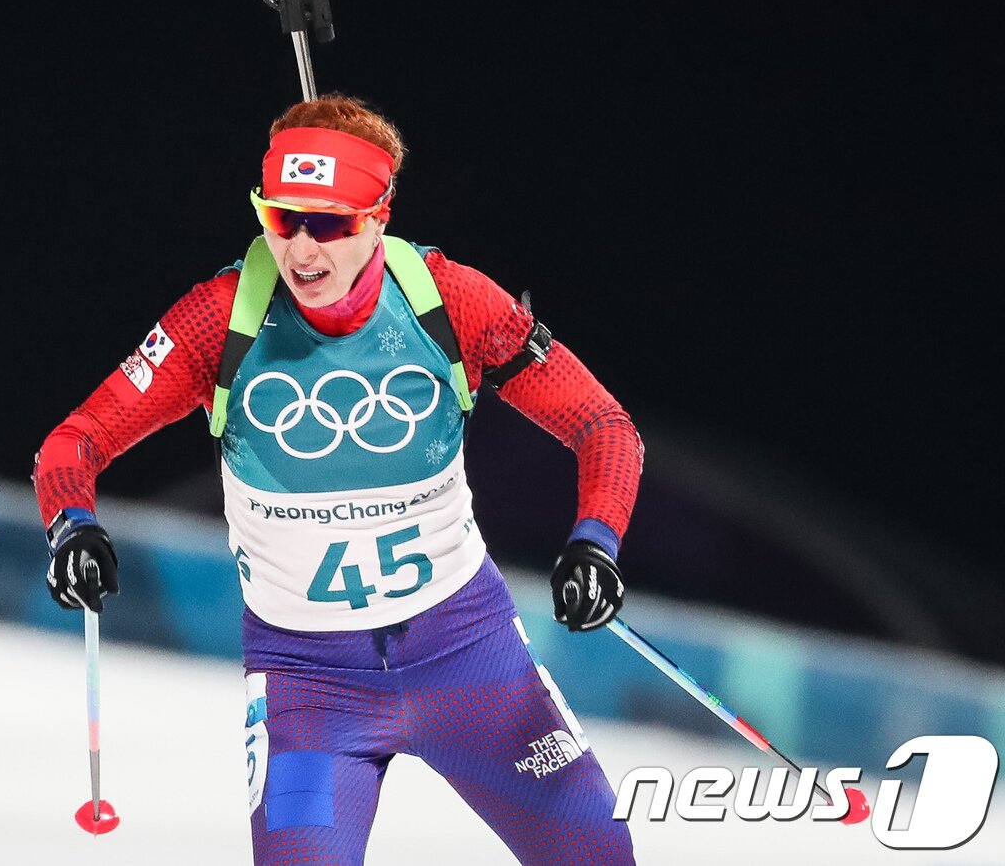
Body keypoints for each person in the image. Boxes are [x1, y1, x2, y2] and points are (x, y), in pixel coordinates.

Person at [32, 93, 644, 865]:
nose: (302, 249)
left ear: (380, 215)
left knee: (597, 852)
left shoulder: (450, 300)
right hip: (309, 686)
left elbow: (604, 426)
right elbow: (74, 440)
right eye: (283, 217)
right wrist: (71, 524)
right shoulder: (218, 319)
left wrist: (596, 539)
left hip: (470, 658)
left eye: (332, 222)